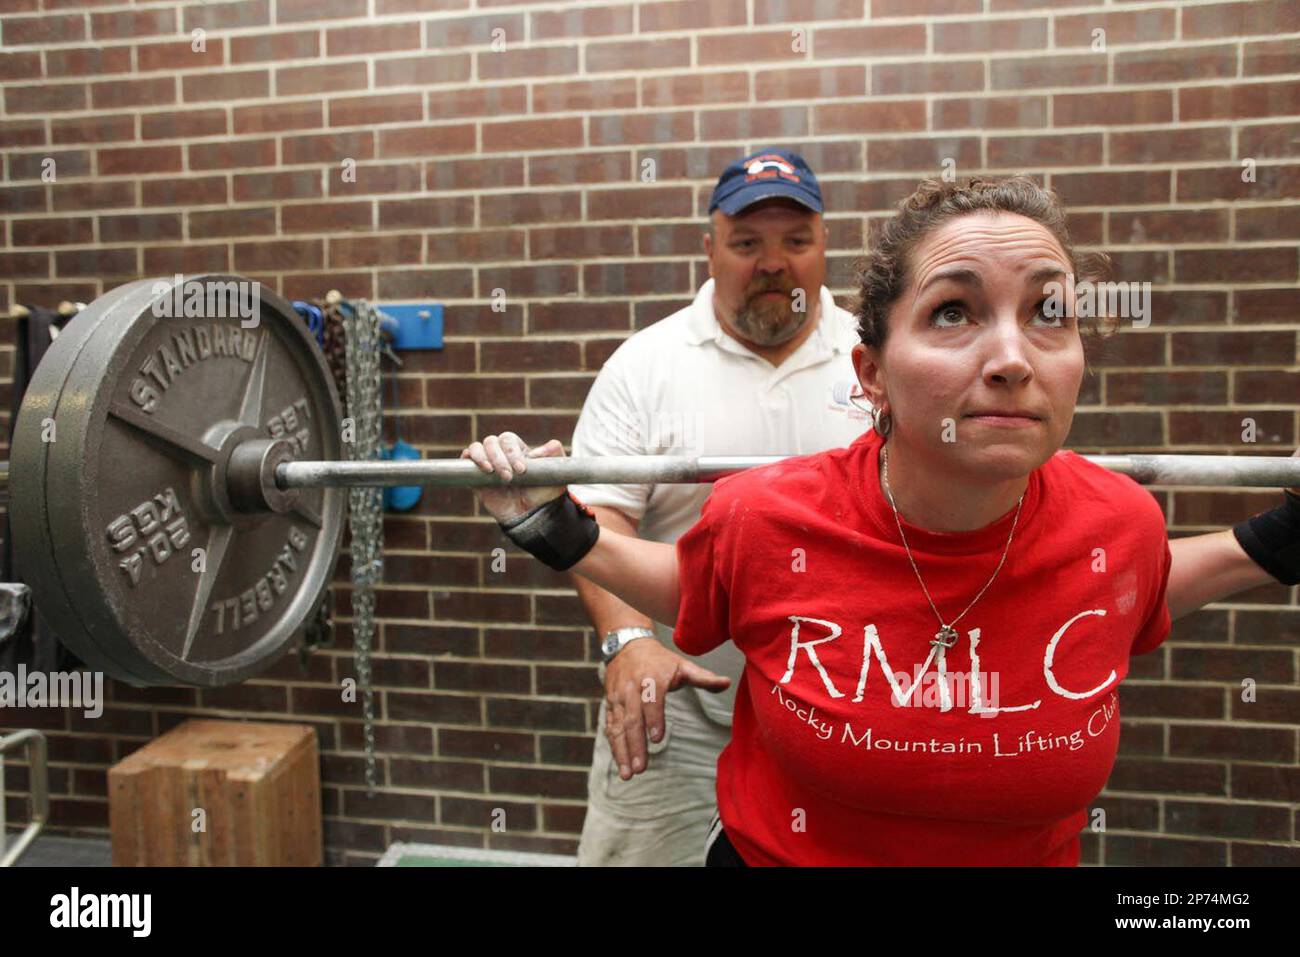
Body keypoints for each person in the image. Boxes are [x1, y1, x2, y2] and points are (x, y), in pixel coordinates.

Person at [462, 176, 1300, 865]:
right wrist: (554, 529)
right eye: (953, 313)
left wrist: (1279, 541)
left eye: (1050, 314)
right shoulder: (761, 503)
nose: (1012, 361)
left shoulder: (1120, 521)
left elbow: (1136, 583)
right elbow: (694, 582)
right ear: (870, 375)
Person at [564, 148, 867, 866]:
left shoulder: (878, 362)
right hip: (678, 701)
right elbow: (598, 516)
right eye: (747, 243)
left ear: (826, 246)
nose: (773, 263)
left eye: (796, 241)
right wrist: (628, 642)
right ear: (709, 250)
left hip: (845, 707)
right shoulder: (645, 366)